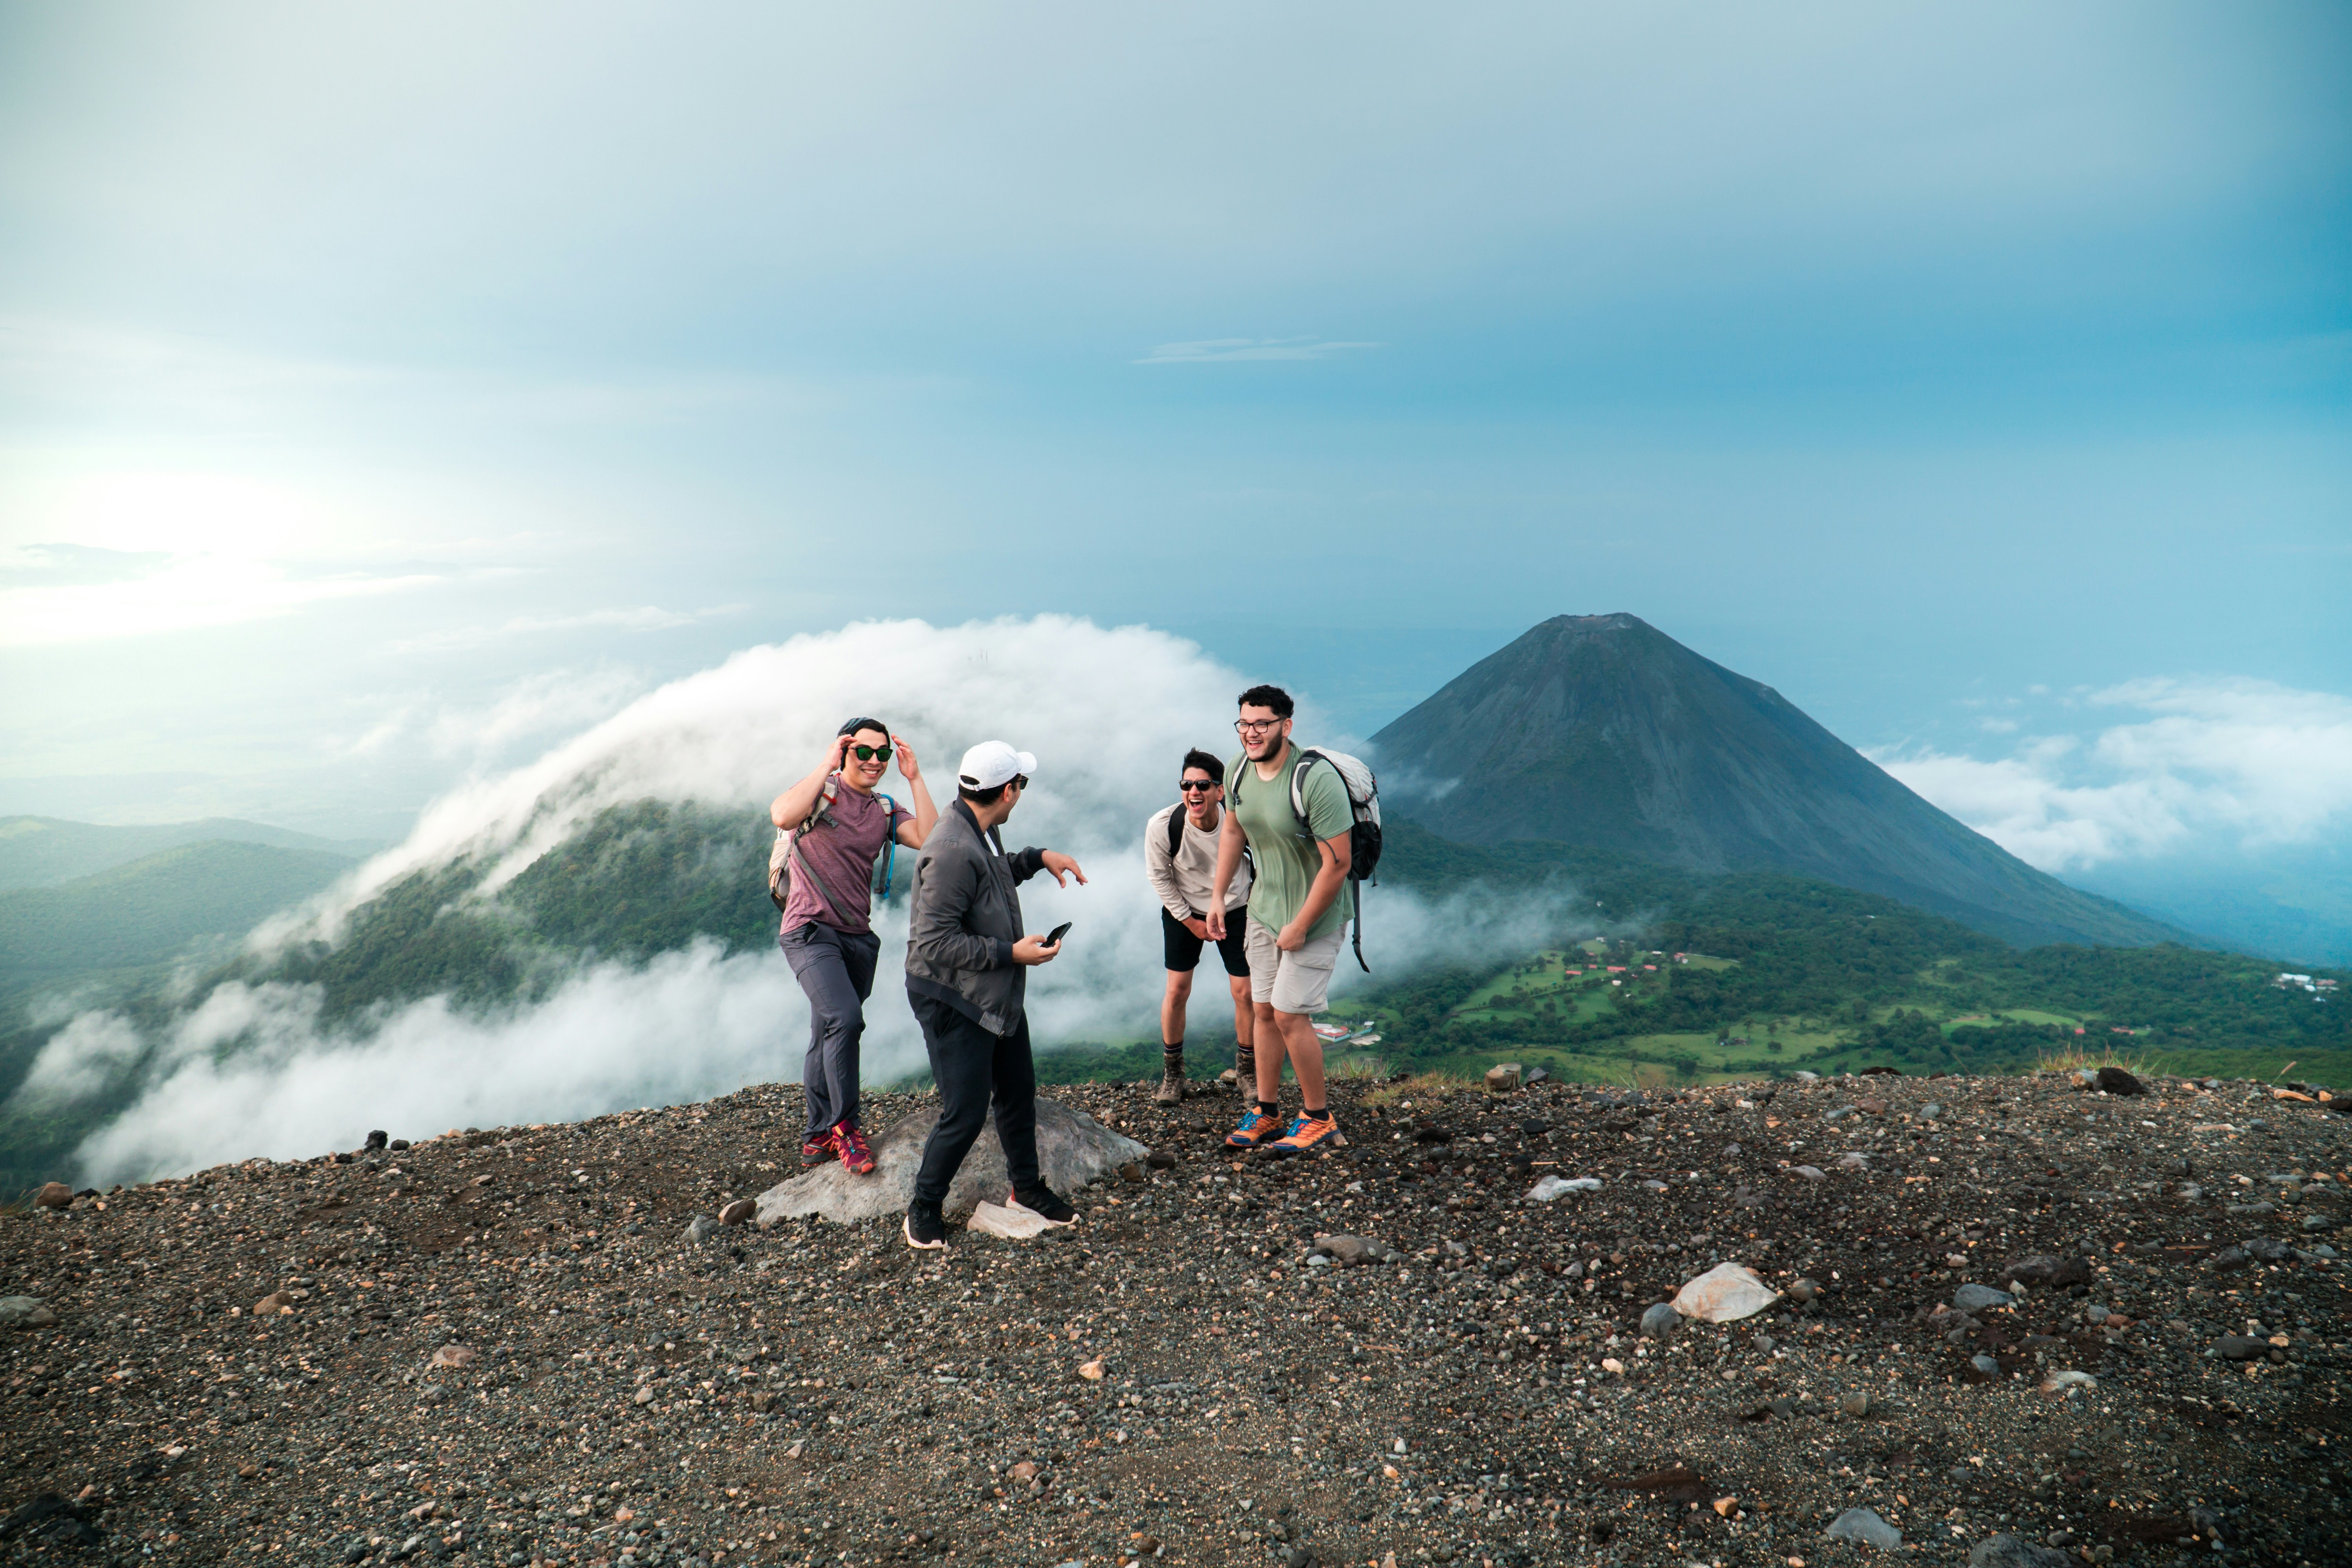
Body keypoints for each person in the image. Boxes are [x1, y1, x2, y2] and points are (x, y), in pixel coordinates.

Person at [901, 740, 1089, 1250]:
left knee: (1016, 1089)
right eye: (1021, 784)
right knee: (964, 1112)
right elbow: (935, 944)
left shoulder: (977, 829)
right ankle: (923, 1207)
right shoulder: (951, 851)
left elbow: (992, 878)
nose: (1021, 791)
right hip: (953, 999)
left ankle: (1025, 1190)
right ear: (1008, 791)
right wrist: (1012, 954)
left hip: (992, 992)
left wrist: (1037, 858)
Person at [770, 718, 938, 1176]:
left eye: (882, 753)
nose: (874, 761)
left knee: (826, 1028)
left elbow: (932, 840)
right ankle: (846, 1128)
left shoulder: (884, 808)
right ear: (845, 751)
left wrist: (915, 777)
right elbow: (783, 815)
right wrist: (825, 764)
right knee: (845, 1019)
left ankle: (815, 1135)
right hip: (808, 930)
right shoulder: (822, 793)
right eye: (864, 751)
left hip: (856, 938)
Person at [1207, 684, 1352, 1156]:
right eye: (1244, 723)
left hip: (1315, 915)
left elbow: (1339, 864)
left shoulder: (1315, 779)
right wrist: (1217, 898)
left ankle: (1318, 1117)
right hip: (1264, 910)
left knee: (1291, 1015)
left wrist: (1302, 925)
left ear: (1286, 726)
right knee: (1263, 1010)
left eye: (1262, 724)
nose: (1251, 733)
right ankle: (1266, 1111)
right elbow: (1233, 830)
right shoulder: (1237, 770)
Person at [1143, 748, 1254, 1105]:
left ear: (1220, 792)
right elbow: (1159, 877)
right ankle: (1173, 1074)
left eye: (1203, 785)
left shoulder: (1241, 822)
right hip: (1184, 910)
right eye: (1187, 785)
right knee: (1177, 990)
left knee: (1246, 993)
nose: (1194, 792)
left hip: (1237, 907)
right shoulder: (1164, 825)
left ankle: (1247, 1072)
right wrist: (1190, 922)